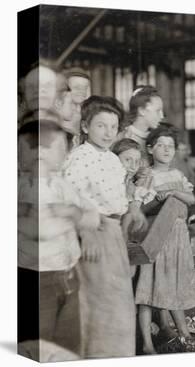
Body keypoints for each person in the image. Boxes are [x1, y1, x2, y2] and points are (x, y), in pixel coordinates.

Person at [63, 96, 146, 358]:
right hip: (92, 232)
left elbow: (119, 194)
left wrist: (133, 208)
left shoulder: (111, 159)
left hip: (112, 233)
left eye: (113, 126)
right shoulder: (80, 157)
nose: (109, 132)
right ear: (85, 127)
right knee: (98, 301)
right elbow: (70, 198)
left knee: (120, 299)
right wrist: (86, 233)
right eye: (101, 126)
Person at [18, 118, 100, 356]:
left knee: (69, 343)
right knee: (37, 344)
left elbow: (92, 216)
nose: (65, 155)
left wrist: (74, 213)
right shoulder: (21, 187)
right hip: (35, 279)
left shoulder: (64, 186)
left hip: (68, 276)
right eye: (61, 149)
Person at [134, 126, 195, 354]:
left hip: (177, 239)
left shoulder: (178, 175)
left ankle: (185, 334)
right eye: (160, 145)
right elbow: (139, 208)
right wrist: (157, 202)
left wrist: (173, 193)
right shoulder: (147, 175)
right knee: (147, 290)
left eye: (170, 146)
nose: (165, 149)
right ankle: (147, 344)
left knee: (171, 286)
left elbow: (191, 198)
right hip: (156, 239)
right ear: (150, 149)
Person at [116, 85, 164, 168]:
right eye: (158, 111)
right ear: (142, 111)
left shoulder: (157, 138)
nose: (162, 116)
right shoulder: (123, 137)